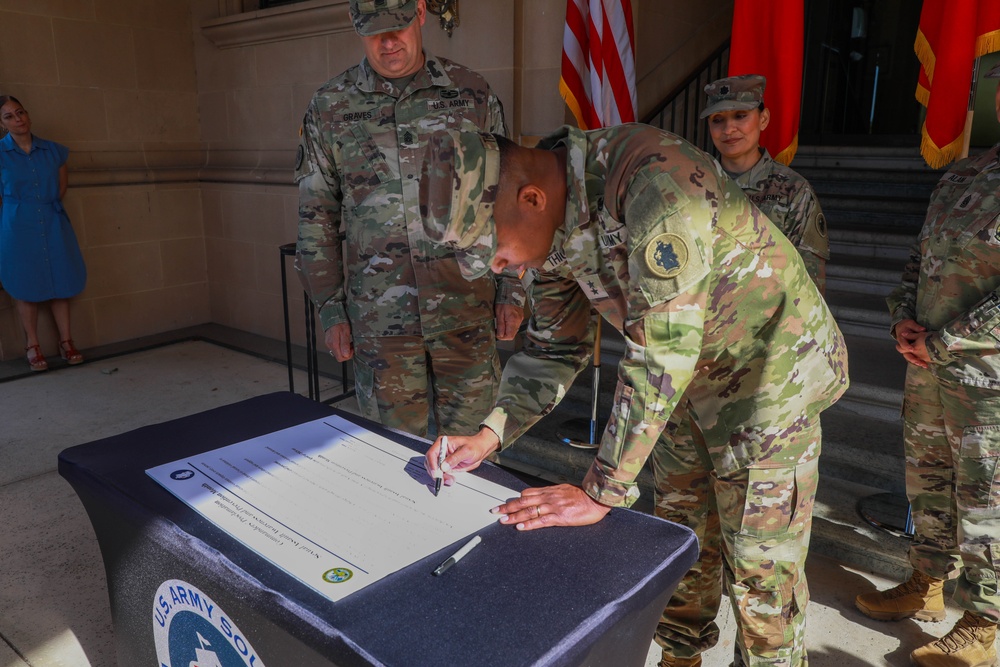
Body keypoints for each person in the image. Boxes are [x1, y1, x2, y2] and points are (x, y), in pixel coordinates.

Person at [420, 126, 849, 666]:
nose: (501, 269)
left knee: (762, 577)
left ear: (531, 198)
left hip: (767, 384)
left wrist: (601, 490)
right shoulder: (548, 225)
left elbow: (663, 350)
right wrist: (491, 432)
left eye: (496, 253)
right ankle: (680, 656)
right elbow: (555, 349)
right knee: (680, 544)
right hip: (680, 391)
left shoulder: (655, 182)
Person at [295, 0, 524, 437]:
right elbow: (315, 214)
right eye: (374, 30)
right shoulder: (329, 107)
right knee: (393, 457)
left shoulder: (471, 93)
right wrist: (330, 308)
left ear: (420, 11)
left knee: (473, 453)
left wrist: (513, 289)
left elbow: (510, 200)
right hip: (382, 326)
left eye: (397, 26)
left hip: (465, 314)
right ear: (354, 23)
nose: (387, 41)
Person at [854, 62, 1000, 667]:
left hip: (986, 377)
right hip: (928, 366)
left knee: (987, 495)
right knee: (929, 483)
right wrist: (901, 321)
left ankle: (986, 621)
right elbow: (920, 260)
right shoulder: (966, 171)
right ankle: (927, 584)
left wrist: (945, 340)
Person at [702, 75, 829, 293]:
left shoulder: (793, 190)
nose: (728, 129)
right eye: (717, 119)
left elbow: (809, 284)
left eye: (740, 115)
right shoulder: (694, 183)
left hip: (764, 322)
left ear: (763, 119)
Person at [0, 95, 86, 371]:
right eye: (9, 116)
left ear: (28, 114)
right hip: (18, 225)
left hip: (52, 219)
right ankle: (33, 345)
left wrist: (44, 208)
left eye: (20, 112)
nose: (18, 119)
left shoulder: (54, 151)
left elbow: (62, 187)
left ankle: (66, 341)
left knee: (62, 280)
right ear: (2, 124)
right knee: (26, 285)